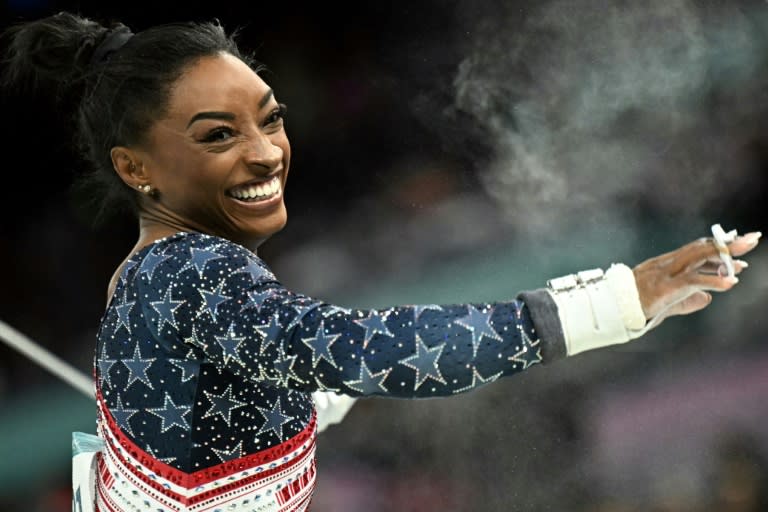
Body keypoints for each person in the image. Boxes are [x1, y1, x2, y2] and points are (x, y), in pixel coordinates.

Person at [0, 11, 761, 512]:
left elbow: (245, 391)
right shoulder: (189, 277)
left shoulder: (157, 270)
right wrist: (615, 301)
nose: (266, 152)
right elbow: (376, 352)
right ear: (138, 168)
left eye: (269, 119)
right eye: (216, 135)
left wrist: (310, 399)